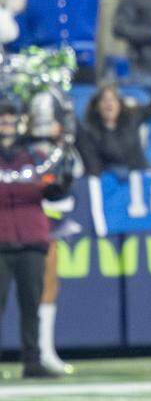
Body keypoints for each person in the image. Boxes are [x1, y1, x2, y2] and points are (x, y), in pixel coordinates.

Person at [0, 100, 68, 378]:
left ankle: (32, 360)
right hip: (1, 241)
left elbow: (55, 190)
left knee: (32, 305)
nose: (6, 126)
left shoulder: (35, 155)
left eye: (10, 120)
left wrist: (63, 177)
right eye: (2, 120)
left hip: (31, 238)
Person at [75, 84, 151, 175]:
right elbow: (93, 164)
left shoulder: (132, 117)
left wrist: (148, 84)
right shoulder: (92, 132)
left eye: (112, 99)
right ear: (97, 106)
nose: (109, 104)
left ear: (119, 103)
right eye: (104, 100)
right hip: (113, 183)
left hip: (141, 176)